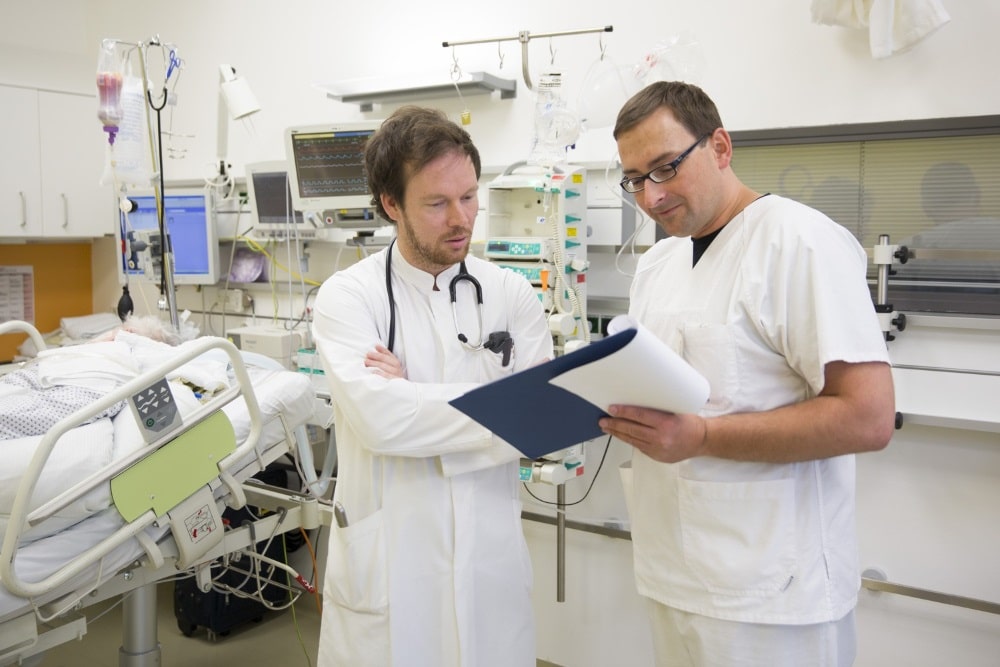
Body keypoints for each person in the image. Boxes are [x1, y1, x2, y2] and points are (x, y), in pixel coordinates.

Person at [600, 81, 896, 667]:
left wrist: (704, 437)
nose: (650, 199)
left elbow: (868, 417)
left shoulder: (799, 241)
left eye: (664, 169)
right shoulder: (659, 263)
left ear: (720, 146)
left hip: (775, 593)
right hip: (673, 571)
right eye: (634, 179)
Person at [311, 106, 553, 666]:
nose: (461, 218)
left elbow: (542, 422)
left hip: (489, 562)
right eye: (437, 203)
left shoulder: (512, 294)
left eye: (469, 197)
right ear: (391, 204)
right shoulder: (349, 298)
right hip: (393, 569)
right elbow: (381, 422)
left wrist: (412, 392)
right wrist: (503, 405)